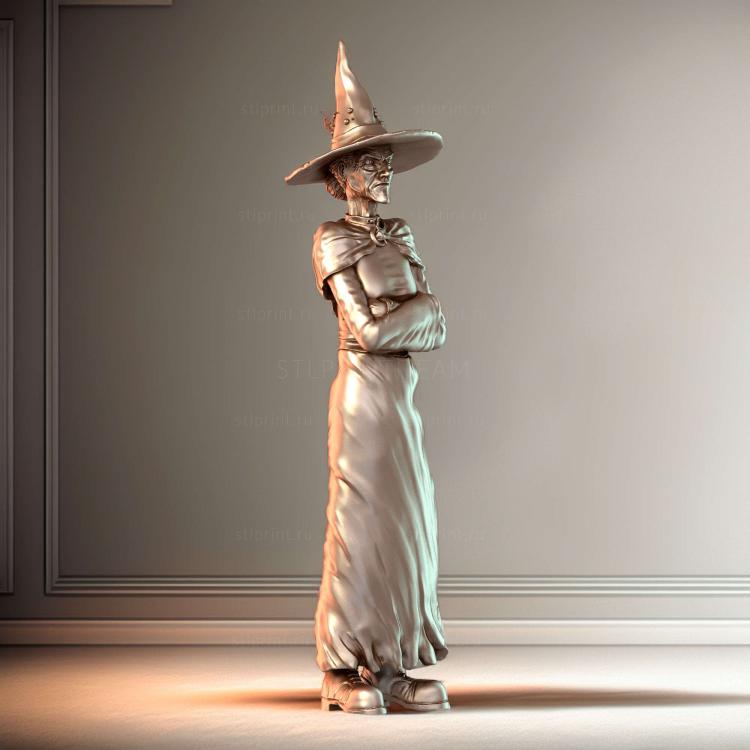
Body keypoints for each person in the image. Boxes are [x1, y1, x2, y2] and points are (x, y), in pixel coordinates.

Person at [285, 41, 449, 715]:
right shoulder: (331, 238)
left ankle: (393, 662)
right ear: (339, 176)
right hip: (361, 398)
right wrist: (416, 312)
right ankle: (342, 667)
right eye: (367, 160)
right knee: (359, 524)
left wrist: (411, 316)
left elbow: (438, 324)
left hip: (401, 397)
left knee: (406, 522)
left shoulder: (400, 233)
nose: (381, 169)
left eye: (384, 159)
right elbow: (373, 332)